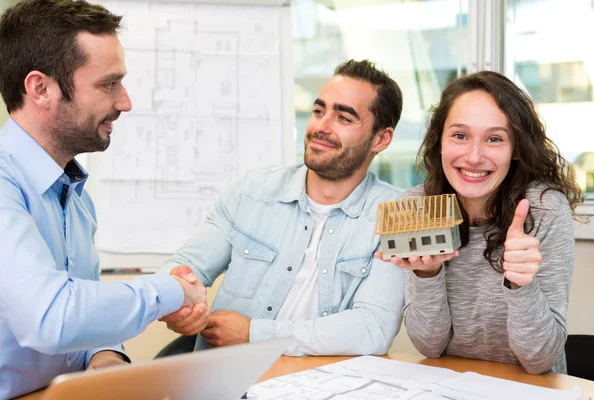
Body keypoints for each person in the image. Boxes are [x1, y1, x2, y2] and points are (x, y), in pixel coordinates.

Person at [0, 1, 207, 397]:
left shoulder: (75, 197)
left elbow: (82, 316)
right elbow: (51, 317)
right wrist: (169, 291)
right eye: (108, 84)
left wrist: (105, 355)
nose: (124, 101)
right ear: (40, 89)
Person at [158, 59, 406, 356]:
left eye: (343, 118)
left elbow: (372, 329)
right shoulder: (252, 191)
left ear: (381, 139)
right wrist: (175, 299)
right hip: (225, 383)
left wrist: (254, 334)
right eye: (318, 111)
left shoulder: (397, 213)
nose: (320, 127)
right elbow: (188, 264)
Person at [377, 70, 584, 374]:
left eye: (494, 139)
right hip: (453, 387)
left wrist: (519, 282)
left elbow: (539, 360)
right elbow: (430, 347)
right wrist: (427, 272)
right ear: (440, 142)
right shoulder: (421, 206)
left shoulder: (544, 209)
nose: (474, 156)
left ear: (516, 149)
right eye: (460, 136)